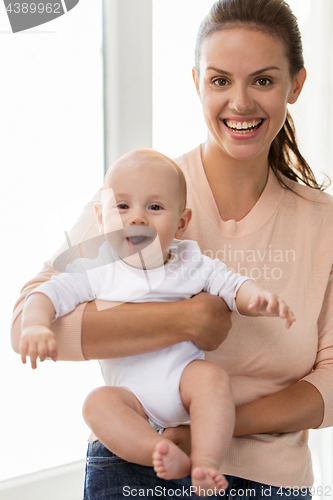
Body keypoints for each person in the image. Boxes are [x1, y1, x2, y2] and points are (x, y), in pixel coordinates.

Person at [10, 0, 333, 498]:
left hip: (270, 480)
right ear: (197, 82)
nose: (240, 103)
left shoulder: (323, 222)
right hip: (135, 466)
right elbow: (30, 321)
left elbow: (330, 383)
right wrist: (182, 321)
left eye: (263, 81)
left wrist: (208, 431)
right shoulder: (140, 197)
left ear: (296, 84)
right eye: (220, 80)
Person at [19, 149, 295, 496]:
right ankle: (156, 451)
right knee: (96, 403)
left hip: (183, 382)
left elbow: (231, 284)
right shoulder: (97, 269)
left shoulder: (189, 260)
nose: (137, 219)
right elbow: (47, 294)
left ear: (181, 221)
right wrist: (35, 325)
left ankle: (206, 462)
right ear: (100, 219)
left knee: (212, 380)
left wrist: (257, 298)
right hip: (131, 400)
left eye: (154, 208)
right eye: (122, 207)